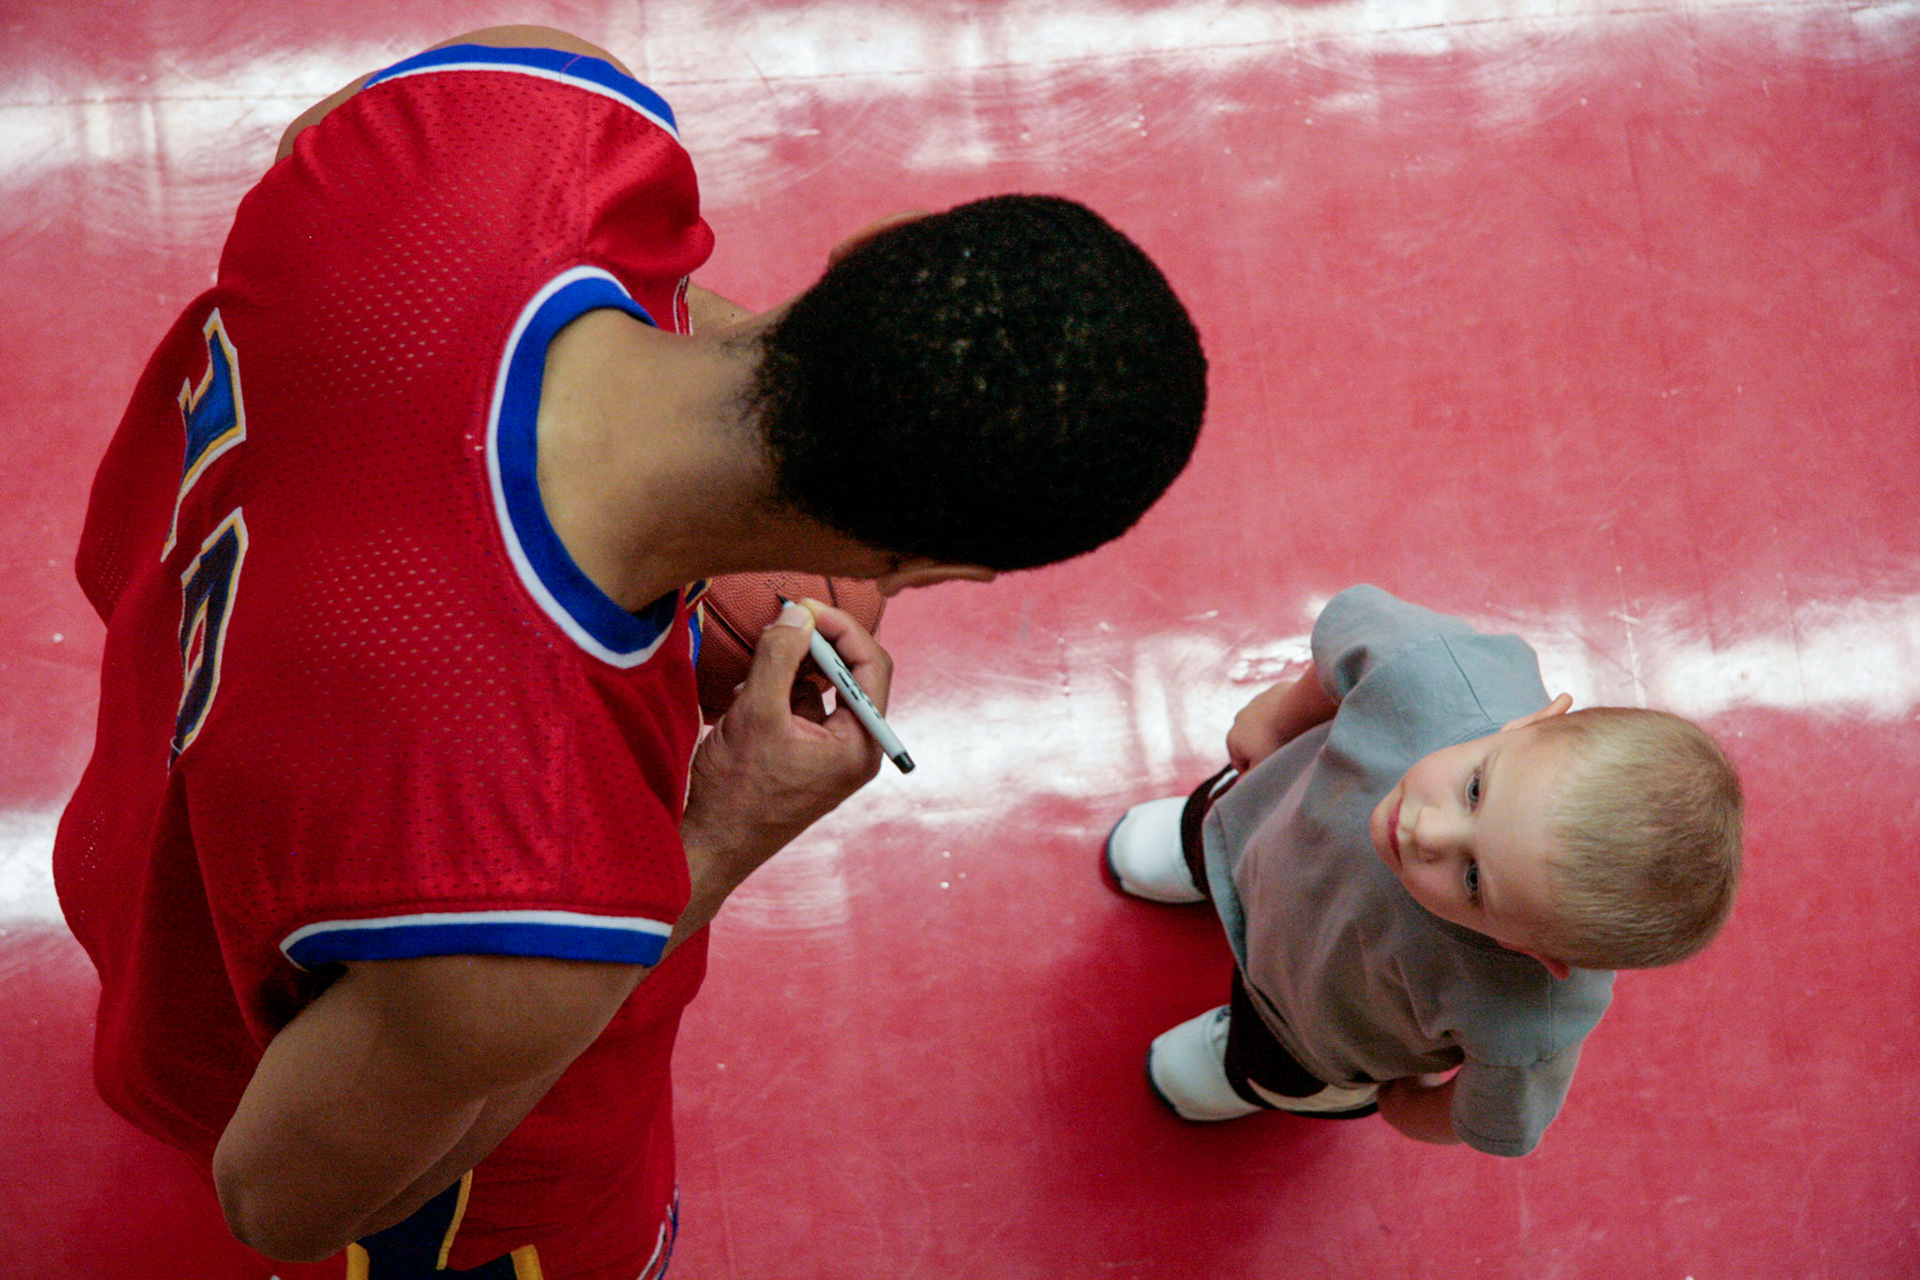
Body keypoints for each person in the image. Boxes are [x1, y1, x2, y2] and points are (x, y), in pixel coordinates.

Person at [52, 25, 1207, 1278]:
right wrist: (718, 833)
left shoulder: (528, 112)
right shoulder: (533, 889)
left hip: (145, 792)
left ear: (871, 246)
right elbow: (276, 1205)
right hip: (235, 1019)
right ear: (925, 570)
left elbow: (308, 149)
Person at [1103, 585, 1741, 1156]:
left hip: (1303, 1021)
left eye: (1472, 880)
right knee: (1226, 812)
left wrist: (1417, 1112)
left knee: (1274, 1064)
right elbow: (1353, 638)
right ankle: (1202, 853)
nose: (1424, 832)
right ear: (1531, 725)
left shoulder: (1528, 1016)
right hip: (1268, 815)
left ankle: (1243, 1062)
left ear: (1535, 951)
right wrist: (1279, 718)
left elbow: (1496, 1117)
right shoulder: (1438, 678)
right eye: (1474, 791)